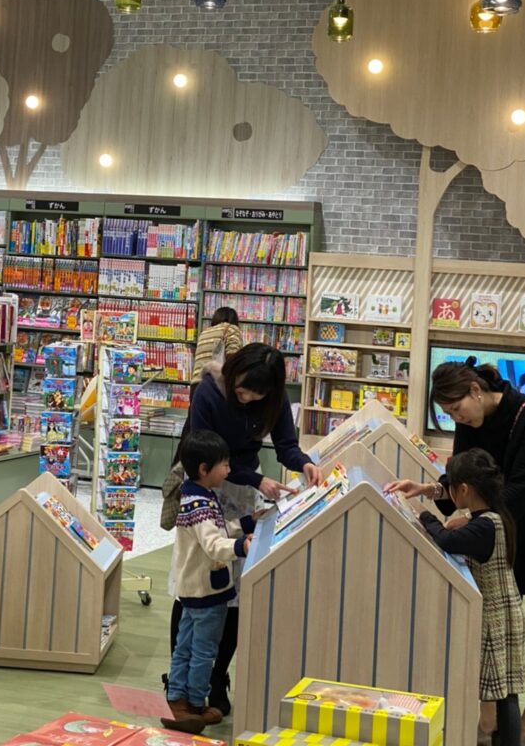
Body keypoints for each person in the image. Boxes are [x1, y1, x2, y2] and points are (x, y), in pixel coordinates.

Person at [386, 358, 525, 745]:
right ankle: (490, 708)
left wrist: (473, 520)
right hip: (505, 525)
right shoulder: (468, 422)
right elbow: (460, 476)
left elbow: (522, 489)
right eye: (448, 413)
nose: (456, 418)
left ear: (476, 391)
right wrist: (430, 489)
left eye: (456, 409)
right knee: (493, 618)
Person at [168, 343, 322, 715]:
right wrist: (256, 479)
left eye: (256, 394)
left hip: (241, 490)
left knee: (234, 592)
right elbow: (202, 456)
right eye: (242, 389)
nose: (247, 398)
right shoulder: (209, 391)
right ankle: (182, 684)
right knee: (194, 583)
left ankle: (215, 676)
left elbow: (286, 445)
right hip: (207, 483)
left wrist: (304, 463)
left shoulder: (273, 399)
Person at [417, 449, 525, 746]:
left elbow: (447, 540)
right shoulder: (496, 517)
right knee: (507, 691)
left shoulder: (484, 526)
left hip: (494, 619)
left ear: (463, 490)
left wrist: (424, 516)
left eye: (451, 488)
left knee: (503, 693)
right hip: (507, 611)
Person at [162, 430, 254, 734]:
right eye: (224, 464)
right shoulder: (201, 504)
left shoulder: (195, 496)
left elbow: (217, 529)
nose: (228, 469)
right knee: (204, 651)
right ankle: (195, 704)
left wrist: (246, 523)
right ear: (204, 469)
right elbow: (214, 544)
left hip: (191, 588)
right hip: (208, 592)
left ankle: (176, 698)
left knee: (185, 646)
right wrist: (241, 546)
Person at [190, 307, 243, 396]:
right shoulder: (231, 328)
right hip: (216, 385)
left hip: (195, 386)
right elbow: (233, 358)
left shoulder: (204, 333)